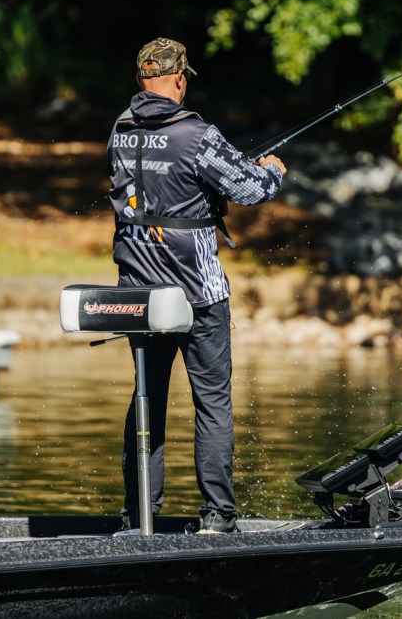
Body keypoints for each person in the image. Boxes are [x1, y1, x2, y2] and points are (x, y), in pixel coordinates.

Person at [106, 37, 287, 534]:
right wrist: (271, 171)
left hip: (139, 293)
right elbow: (250, 189)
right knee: (212, 403)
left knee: (147, 400)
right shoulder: (197, 134)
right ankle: (218, 515)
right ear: (180, 79)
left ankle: (138, 515)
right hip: (197, 293)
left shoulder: (120, 129)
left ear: (140, 79)